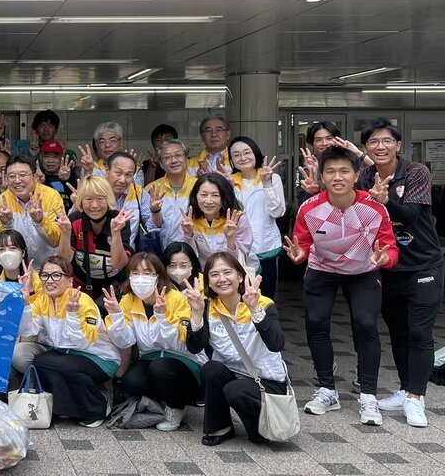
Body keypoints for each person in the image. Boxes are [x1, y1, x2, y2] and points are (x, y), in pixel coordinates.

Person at [283, 145, 397, 426]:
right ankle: (326, 390)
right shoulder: (310, 208)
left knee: (366, 324)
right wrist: (299, 256)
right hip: (323, 270)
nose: (337, 176)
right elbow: (303, 244)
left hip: (364, 271)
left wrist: (385, 258)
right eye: (330, 171)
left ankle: (368, 396)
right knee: (317, 323)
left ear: (357, 175)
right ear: (322, 175)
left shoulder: (374, 208)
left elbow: (390, 247)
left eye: (344, 171)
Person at [357, 118, 444, 427]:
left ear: (397, 145)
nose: (380, 146)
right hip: (387, 267)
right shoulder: (365, 175)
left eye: (386, 141)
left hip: (422, 265)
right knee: (398, 332)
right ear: (366, 148)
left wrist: (385, 199)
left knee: (420, 333)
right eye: (373, 142)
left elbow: (409, 215)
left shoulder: (416, 172)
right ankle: (406, 388)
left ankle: (416, 399)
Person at [184, 252, 288, 446]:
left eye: (227, 272)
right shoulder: (208, 307)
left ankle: (260, 428)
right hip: (232, 374)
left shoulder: (262, 303)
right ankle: (220, 426)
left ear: (240, 276)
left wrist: (255, 309)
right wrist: (196, 314)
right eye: (214, 274)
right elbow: (195, 346)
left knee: (235, 390)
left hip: (267, 380)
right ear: (208, 281)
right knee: (211, 368)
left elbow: (276, 344)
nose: (221, 279)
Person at [104, 252, 206, 432]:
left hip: (184, 361)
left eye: (147, 272)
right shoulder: (128, 300)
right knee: (131, 381)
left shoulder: (176, 298)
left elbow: (180, 342)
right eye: (135, 273)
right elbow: (125, 340)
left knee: (161, 368)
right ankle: (161, 402)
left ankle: (175, 409)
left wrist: (162, 316)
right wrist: (116, 315)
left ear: (158, 275)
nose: (140, 278)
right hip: (150, 358)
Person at [17, 255, 121, 427]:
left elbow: (84, 343)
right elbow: (28, 330)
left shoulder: (81, 300)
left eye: (56, 275)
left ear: (70, 280)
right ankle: (67, 409)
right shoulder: (43, 300)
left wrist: (72, 314)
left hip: (99, 358)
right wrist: (26, 304)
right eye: (45, 275)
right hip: (65, 355)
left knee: (56, 364)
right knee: (42, 362)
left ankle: (98, 406)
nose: (49, 280)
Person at [227, 136, 285, 297]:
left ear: (256, 153)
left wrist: (267, 184)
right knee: (238, 298)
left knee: (265, 298)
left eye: (247, 152)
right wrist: (229, 189)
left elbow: (278, 212)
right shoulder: (229, 181)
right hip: (237, 250)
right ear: (231, 160)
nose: (243, 158)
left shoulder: (272, 178)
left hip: (265, 248)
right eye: (236, 155)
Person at [57, 176, 132, 298]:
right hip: (81, 284)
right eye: (88, 199)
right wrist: (65, 234)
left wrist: (116, 232)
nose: (94, 205)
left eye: (100, 199)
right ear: (80, 201)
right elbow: (64, 261)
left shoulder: (119, 220)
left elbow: (119, 264)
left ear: (108, 199)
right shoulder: (74, 220)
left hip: (114, 285)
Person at [0, 154, 63, 266]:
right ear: (6, 178)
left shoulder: (52, 196)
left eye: (22, 175)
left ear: (35, 176)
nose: (17, 181)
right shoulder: (3, 200)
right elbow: (1, 245)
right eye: (11, 176)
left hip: (48, 268)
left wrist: (40, 221)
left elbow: (55, 241)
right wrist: (7, 224)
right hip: (16, 268)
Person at [180, 173, 257, 271]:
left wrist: (230, 239)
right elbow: (188, 259)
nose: (208, 201)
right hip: (206, 275)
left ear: (225, 197)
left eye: (215, 195)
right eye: (203, 195)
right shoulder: (189, 221)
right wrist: (188, 235)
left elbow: (241, 258)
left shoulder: (238, 219)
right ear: (195, 196)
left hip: (237, 274)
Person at [147, 139, 196, 250]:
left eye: (178, 155)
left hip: (192, 252)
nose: (173, 160)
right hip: (159, 253)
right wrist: (155, 210)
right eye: (167, 157)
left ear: (186, 158)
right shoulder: (151, 189)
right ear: (161, 163)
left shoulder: (199, 187)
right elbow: (149, 227)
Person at [104, 151, 157, 246]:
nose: (122, 180)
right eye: (118, 173)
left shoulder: (138, 192)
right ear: (107, 170)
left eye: (128, 175)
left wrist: (156, 211)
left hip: (128, 253)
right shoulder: (94, 189)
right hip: (97, 255)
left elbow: (153, 226)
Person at [0, 229, 41, 300]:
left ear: (23, 253)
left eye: (12, 248)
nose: (7, 253)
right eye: (1, 249)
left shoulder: (39, 280)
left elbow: (43, 309)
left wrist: (30, 292)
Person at [38, 140, 76, 213]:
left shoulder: (72, 179)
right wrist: (42, 183)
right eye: (46, 156)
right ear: (41, 158)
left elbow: (78, 202)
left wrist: (67, 180)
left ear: (62, 157)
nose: (50, 161)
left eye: (55, 157)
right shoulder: (38, 180)